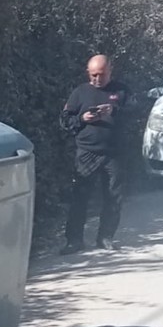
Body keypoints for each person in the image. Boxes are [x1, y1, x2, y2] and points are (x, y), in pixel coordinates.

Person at [59, 54, 129, 254]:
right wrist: (82, 118)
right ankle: (74, 241)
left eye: (102, 75)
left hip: (114, 153)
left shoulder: (122, 90)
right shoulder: (80, 92)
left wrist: (114, 110)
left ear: (110, 71)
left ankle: (106, 238)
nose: (98, 79)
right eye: (94, 75)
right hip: (87, 152)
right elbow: (65, 121)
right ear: (88, 73)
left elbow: (135, 111)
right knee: (79, 197)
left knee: (113, 197)